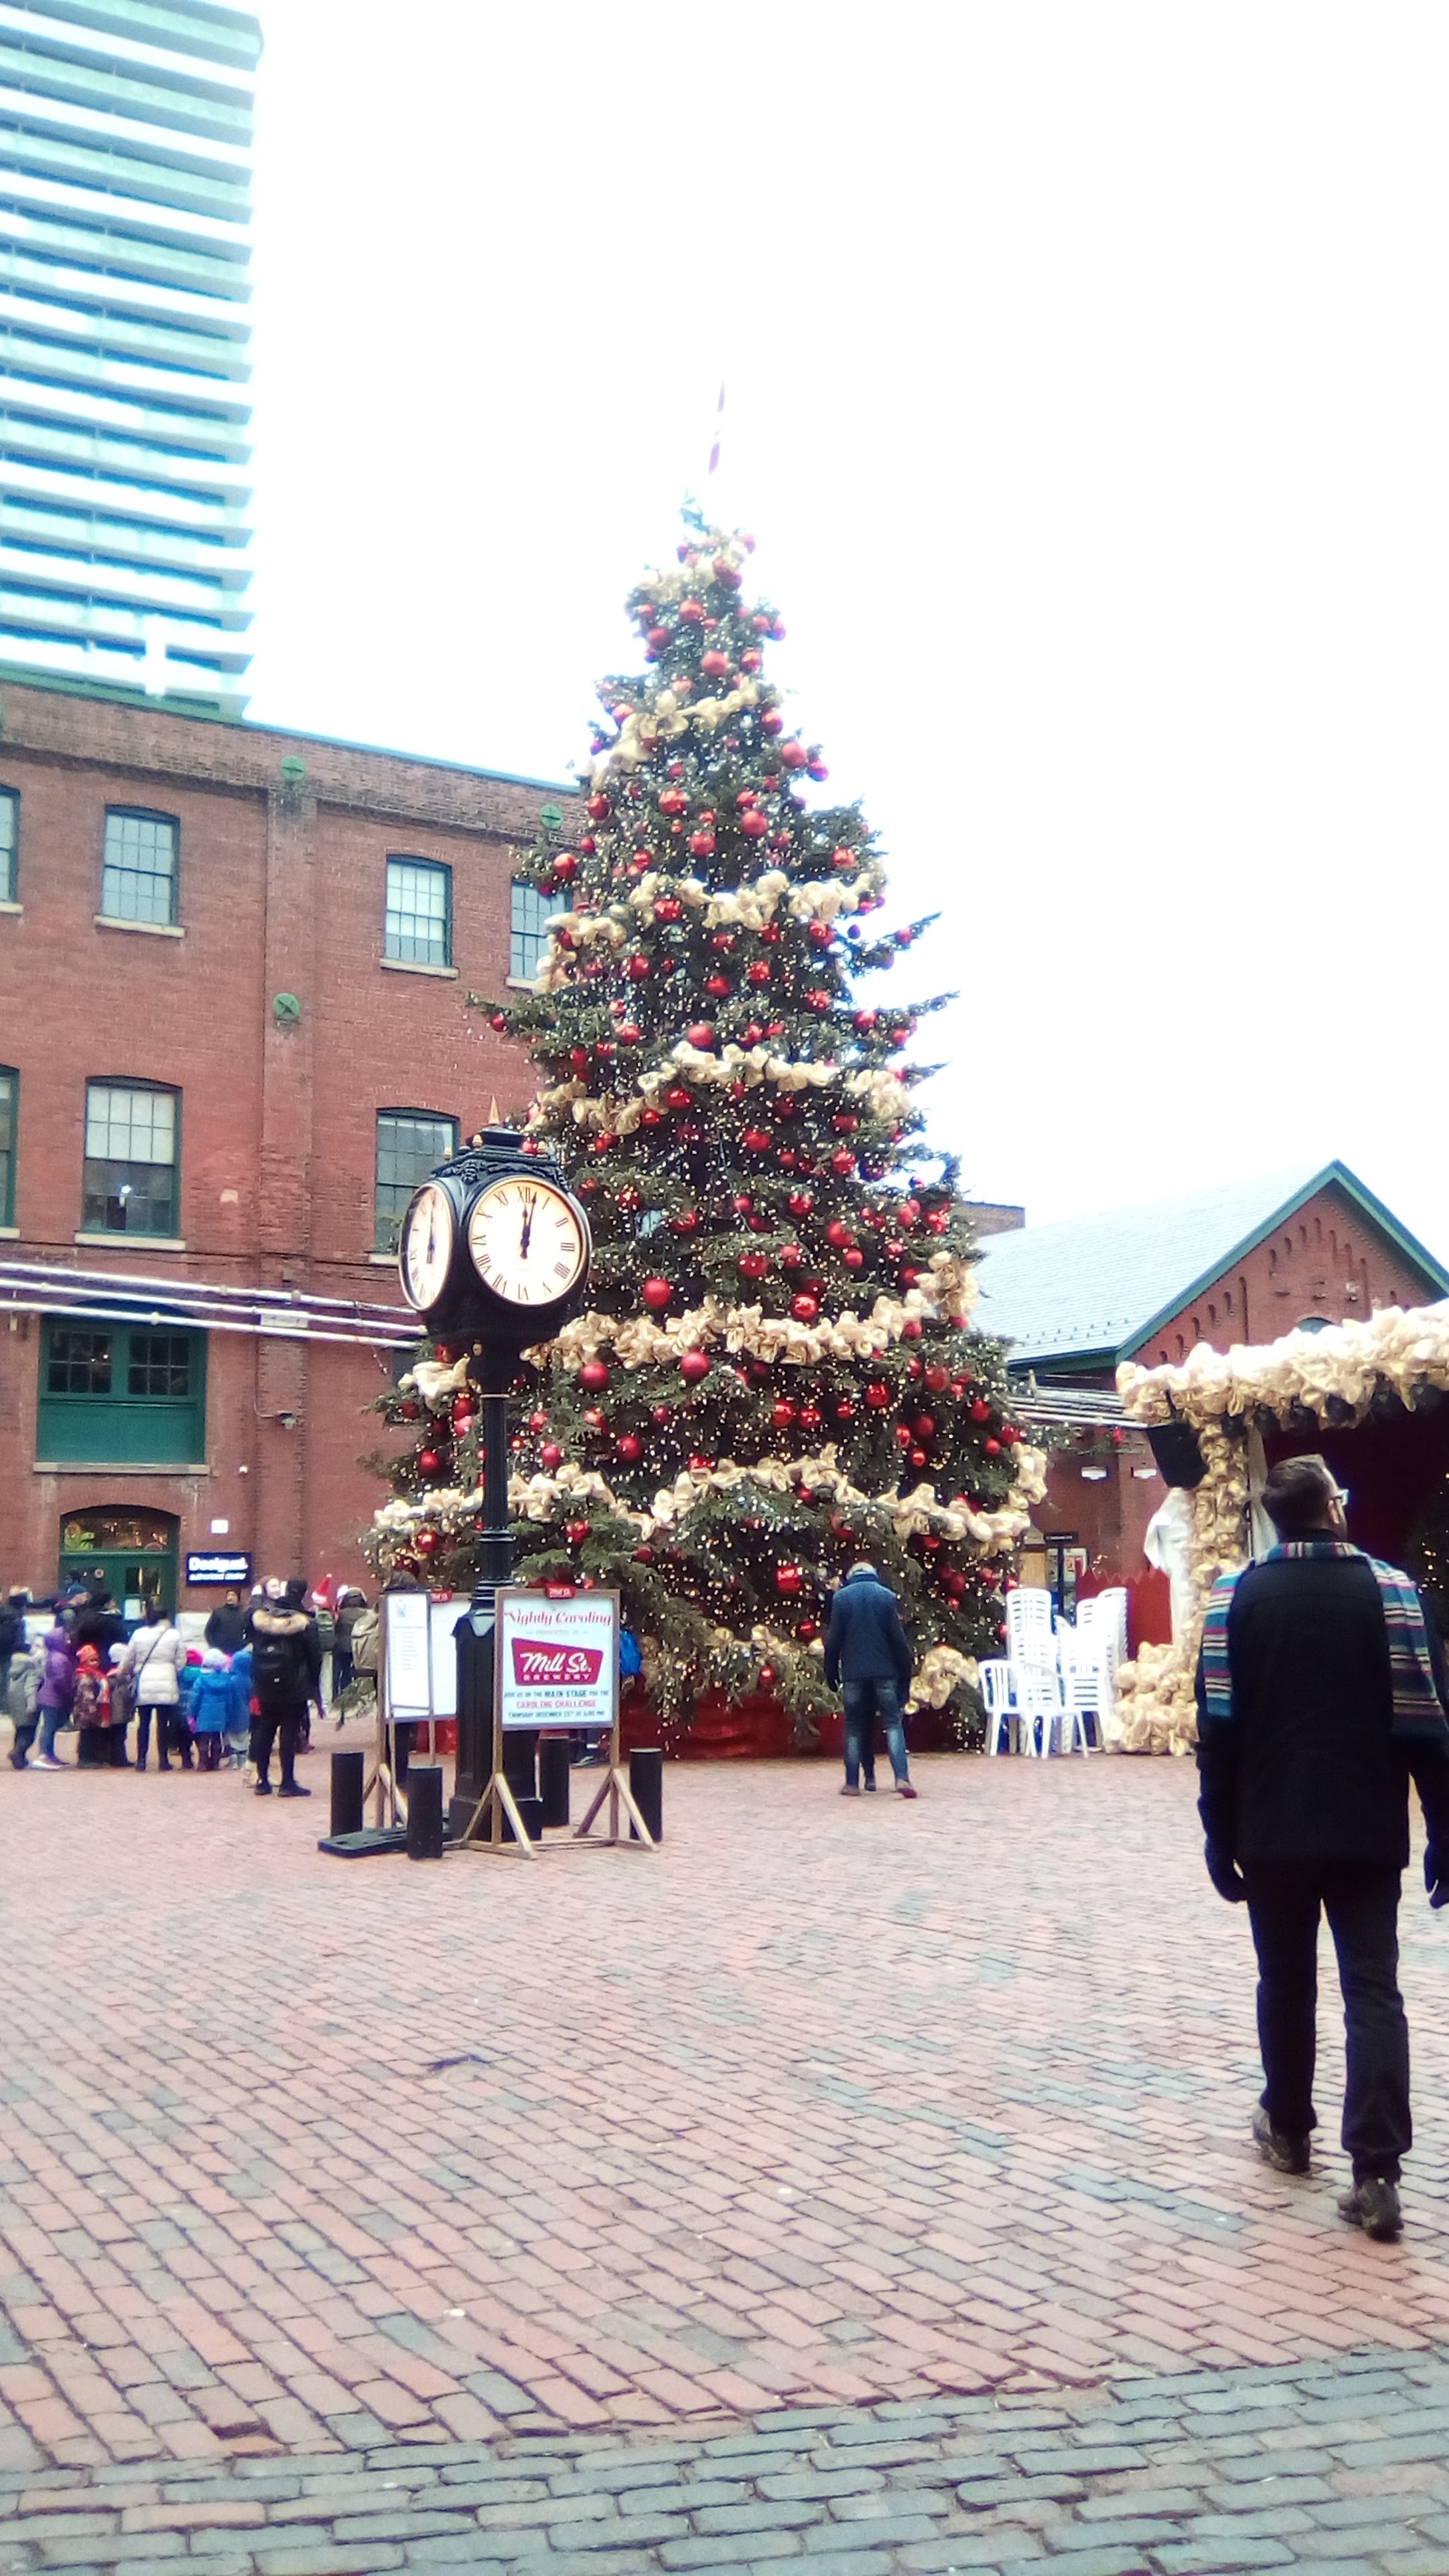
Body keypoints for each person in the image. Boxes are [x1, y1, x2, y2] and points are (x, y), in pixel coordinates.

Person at [1196, 1452, 1449, 2243]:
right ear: (1334, 1509)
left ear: (1277, 1516)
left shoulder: (1233, 1599)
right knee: (1373, 1991)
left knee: (1287, 1981)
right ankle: (1376, 2171)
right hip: (1369, 1829)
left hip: (1271, 1828)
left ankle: (1290, 2129)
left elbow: (1217, 1732)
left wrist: (1217, 1832)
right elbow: (1428, 1726)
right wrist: (1443, 1829)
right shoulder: (1394, 1593)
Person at [824, 1560, 918, 1799]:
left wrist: (831, 1674)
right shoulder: (885, 1597)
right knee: (893, 1723)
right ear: (874, 1575)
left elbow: (834, 1641)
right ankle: (902, 1778)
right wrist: (904, 1681)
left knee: (854, 1727)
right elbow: (899, 1643)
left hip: (854, 1673)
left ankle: (852, 1783)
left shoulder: (841, 1599)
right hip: (884, 1672)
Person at [245, 1578, 321, 1796]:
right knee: (289, 1731)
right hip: (294, 1686)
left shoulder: (263, 1620)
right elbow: (315, 1657)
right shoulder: (305, 1623)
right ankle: (287, 1783)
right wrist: (313, 1685)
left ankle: (262, 1781)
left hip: (266, 1684)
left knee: (265, 1729)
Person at [120, 1600, 189, 1772]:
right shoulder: (174, 1635)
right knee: (162, 1723)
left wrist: (128, 1672)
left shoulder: (138, 1634)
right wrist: (173, 1671)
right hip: (167, 1678)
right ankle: (163, 1760)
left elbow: (129, 1658)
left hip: (145, 1680)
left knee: (143, 1723)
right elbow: (181, 1661)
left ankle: (141, 1760)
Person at [189, 1648, 245, 1772]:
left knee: (203, 1739)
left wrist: (191, 1713)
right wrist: (228, 1713)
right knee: (217, 1738)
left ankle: (203, 1763)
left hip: (203, 1714)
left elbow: (194, 1698)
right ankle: (215, 1763)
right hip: (221, 1713)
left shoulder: (201, 1680)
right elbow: (230, 1700)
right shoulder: (227, 1680)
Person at [30, 1622, 74, 1768]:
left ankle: (49, 1754)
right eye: (65, 1638)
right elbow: (61, 1679)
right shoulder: (59, 1658)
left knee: (52, 1726)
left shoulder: (55, 1656)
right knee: (49, 1726)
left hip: (51, 1696)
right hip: (53, 1697)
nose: (68, 1640)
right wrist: (69, 1693)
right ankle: (44, 1754)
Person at [72, 1644, 113, 1765]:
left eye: (96, 1660)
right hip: (86, 1710)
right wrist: (92, 1708)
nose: (95, 1663)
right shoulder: (84, 1676)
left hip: (92, 1709)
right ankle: (85, 1759)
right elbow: (86, 1695)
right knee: (87, 1735)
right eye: (92, 1660)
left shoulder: (96, 1675)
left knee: (92, 1734)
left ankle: (92, 1758)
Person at [5, 1634, 42, 1769]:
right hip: (27, 1705)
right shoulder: (31, 1668)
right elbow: (30, 1689)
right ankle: (17, 1753)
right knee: (28, 1734)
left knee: (20, 1731)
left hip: (16, 1706)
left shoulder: (13, 1668)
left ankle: (20, 1759)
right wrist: (33, 1707)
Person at [331, 1587, 368, 1707]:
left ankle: (339, 1696)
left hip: (341, 1646)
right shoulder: (366, 1613)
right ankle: (355, 1696)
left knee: (342, 1671)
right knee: (357, 1671)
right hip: (359, 1646)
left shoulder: (340, 1613)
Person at [0, 1587, 29, 1707]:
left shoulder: (5, 1611)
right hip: (9, 1651)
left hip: (4, 1648)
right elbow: (19, 1639)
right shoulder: (17, 1618)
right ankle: (5, 1705)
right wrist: (25, 1648)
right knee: (7, 1677)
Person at [204, 1589, 247, 1656]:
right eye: (228, 1595)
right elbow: (208, 1631)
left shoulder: (243, 1614)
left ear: (238, 1598)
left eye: (233, 1595)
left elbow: (249, 1632)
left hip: (236, 1652)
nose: (230, 1597)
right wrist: (214, 1648)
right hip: (220, 1653)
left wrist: (242, 1645)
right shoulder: (218, 1613)